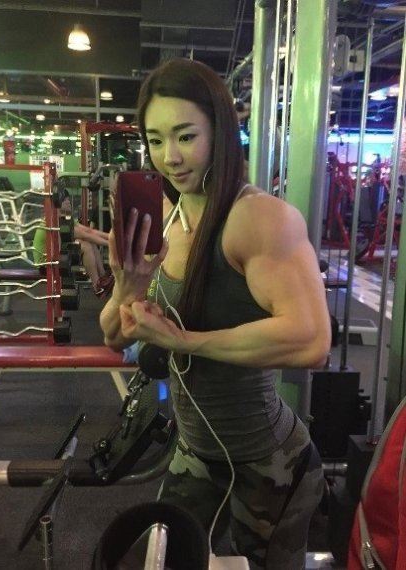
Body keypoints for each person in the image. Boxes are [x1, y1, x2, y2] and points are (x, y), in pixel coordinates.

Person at [99, 58, 331, 569]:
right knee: (168, 558)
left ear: (219, 134)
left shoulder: (259, 218)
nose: (170, 157)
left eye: (186, 136)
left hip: (269, 463)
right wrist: (127, 288)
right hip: (195, 451)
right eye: (156, 140)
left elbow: (311, 339)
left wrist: (184, 342)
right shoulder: (165, 217)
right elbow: (114, 335)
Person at [33, 190, 112, 297]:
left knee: (90, 243)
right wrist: (112, 244)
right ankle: (97, 286)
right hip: (46, 265)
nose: (68, 201)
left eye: (68, 199)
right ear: (57, 204)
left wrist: (111, 237)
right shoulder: (53, 221)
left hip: (57, 256)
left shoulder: (66, 219)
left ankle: (103, 279)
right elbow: (85, 235)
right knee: (85, 245)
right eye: (65, 200)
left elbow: (89, 231)